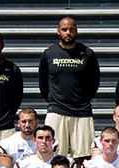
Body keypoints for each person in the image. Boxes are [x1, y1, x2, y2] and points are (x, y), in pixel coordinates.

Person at [38, 17, 100, 159]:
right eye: (64, 29)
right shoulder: (49, 54)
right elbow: (43, 83)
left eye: (71, 29)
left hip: (82, 112)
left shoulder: (88, 54)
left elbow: (94, 83)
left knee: (84, 158)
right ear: (58, 31)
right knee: (55, 156)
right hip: (57, 111)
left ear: (76, 31)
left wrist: (81, 100)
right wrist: (55, 100)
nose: (68, 33)